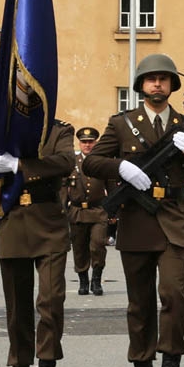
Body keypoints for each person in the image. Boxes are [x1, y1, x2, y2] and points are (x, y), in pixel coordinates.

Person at [83, 53, 184, 367]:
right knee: (139, 303)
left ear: (172, 85)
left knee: (173, 295)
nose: (157, 83)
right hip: (137, 220)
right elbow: (92, 162)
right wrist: (122, 167)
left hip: (173, 216)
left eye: (164, 78)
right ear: (140, 85)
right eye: (151, 78)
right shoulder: (122, 123)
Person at [0, 115, 75, 367]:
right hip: (10, 224)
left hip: (48, 223)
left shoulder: (59, 130)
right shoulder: (0, 130)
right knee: (17, 308)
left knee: (51, 301)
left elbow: (64, 163)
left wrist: (19, 167)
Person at [66, 126, 108, 294]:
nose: (87, 145)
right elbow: (63, 188)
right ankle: (83, 280)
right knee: (79, 247)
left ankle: (96, 279)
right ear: (79, 143)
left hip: (98, 211)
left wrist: (113, 211)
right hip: (77, 211)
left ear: (96, 143)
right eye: (84, 142)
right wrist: (62, 210)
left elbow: (111, 186)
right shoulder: (72, 164)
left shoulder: (102, 162)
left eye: (90, 142)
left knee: (98, 245)